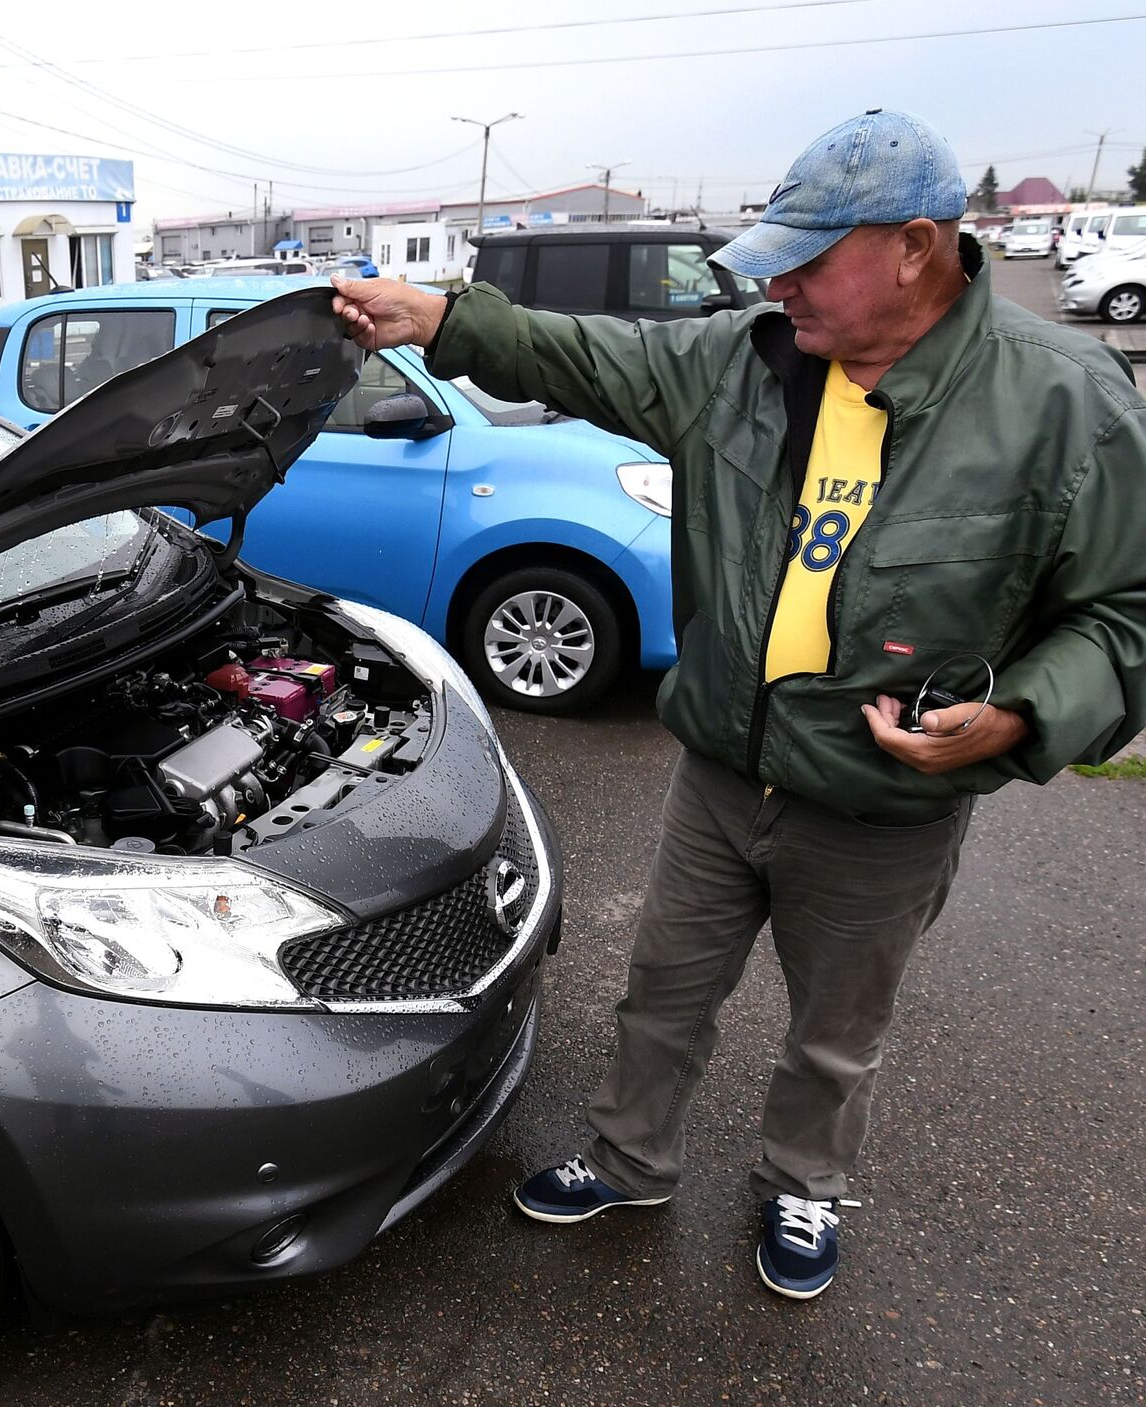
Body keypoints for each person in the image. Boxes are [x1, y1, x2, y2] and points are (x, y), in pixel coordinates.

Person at [331, 109, 1146, 1301]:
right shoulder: (748, 361)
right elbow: (582, 354)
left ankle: (802, 1185)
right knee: (661, 993)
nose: (775, 283)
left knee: (833, 1032)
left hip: (880, 808)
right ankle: (629, 1158)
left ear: (915, 246)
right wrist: (442, 319)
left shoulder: (1062, 400)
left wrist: (1017, 715)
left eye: (807, 261)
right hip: (721, 772)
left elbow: (1122, 615)